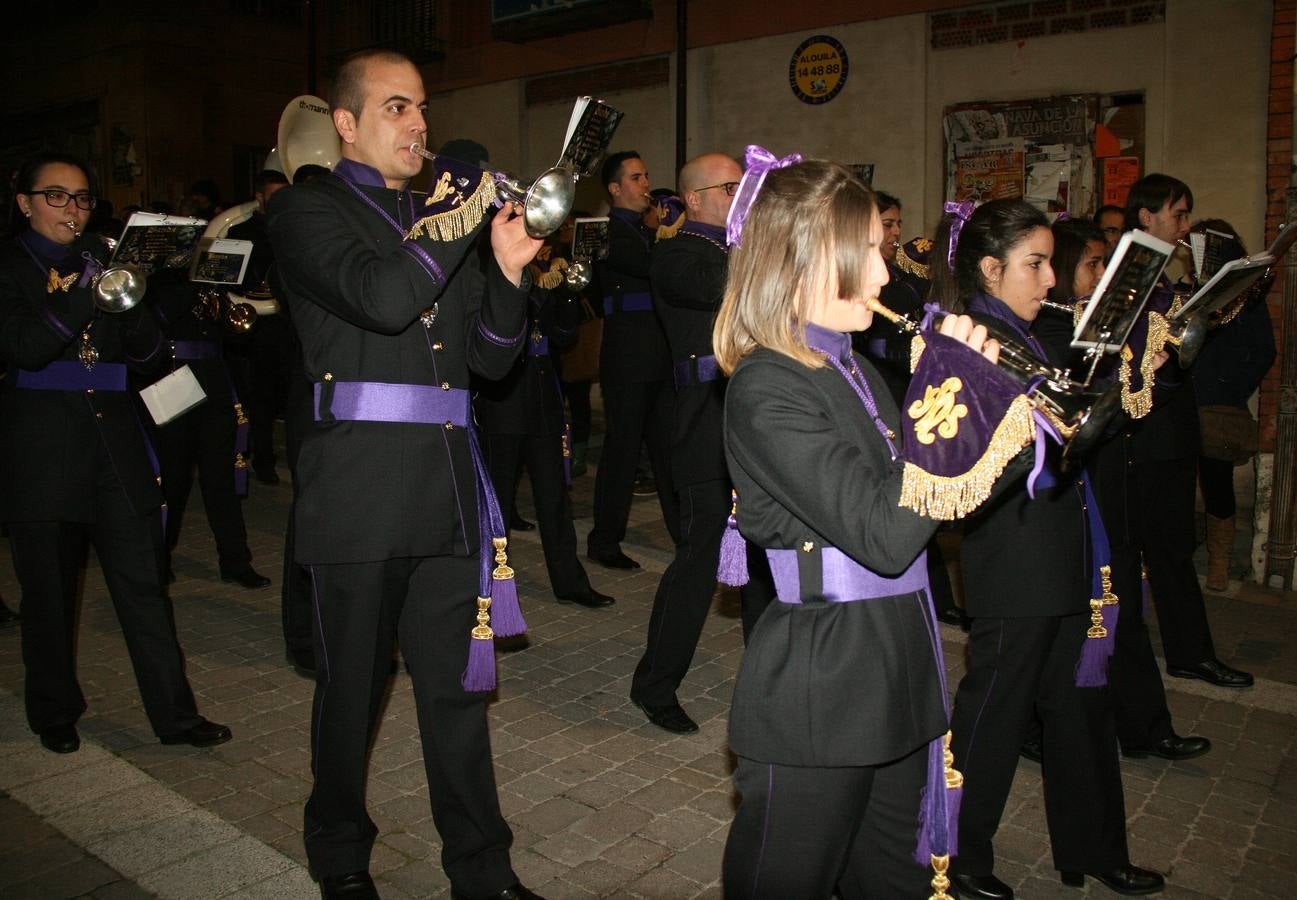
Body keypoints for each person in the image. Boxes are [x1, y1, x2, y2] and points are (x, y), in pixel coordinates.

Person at [267, 50, 543, 900]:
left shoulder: (438, 219)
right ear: (347, 124)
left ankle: (482, 869)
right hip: (356, 488)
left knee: (458, 695)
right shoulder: (306, 211)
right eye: (396, 108)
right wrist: (459, 226)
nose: (418, 124)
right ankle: (341, 855)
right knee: (351, 690)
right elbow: (385, 300)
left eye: (421, 107)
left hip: (448, 489)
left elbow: (491, 363)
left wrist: (504, 267)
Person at [714, 153, 1012, 898]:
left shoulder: (851, 368)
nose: (883, 275)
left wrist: (996, 413)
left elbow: (933, 503)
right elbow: (882, 534)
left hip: (897, 666)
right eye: (868, 253)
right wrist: (947, 408)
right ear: (802, 261)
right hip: (824, 685)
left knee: (893, 884)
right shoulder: (766, 388)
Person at [943, 199, 1163, 899]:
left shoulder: (1039, 330)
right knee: (993, 715)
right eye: (1033, 264)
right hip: (1011, 555)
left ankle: (1092, 848)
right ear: (989, 268)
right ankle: (956, 855)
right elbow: (970, 458)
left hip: (1062, 541)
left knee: (1080, 708)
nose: (1048, 279)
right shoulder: (969, 338)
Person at [0, 151, 231, 755]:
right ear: (24, 203)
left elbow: (149, 357)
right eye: (56, 196)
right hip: (41, 449)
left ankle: (175, 716)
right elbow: (25, 348)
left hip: (115, 444)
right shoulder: (10, 267)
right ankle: (54, 710)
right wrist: (90, 291)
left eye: (80, 199)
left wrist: (139, 292)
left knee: (144, 585)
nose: (71, 209)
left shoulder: (100, 262)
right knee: (49, 593)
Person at [628, 152, 775, 735]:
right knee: (697, 560)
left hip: (752, 420)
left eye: (744, 187)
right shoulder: (677, 254)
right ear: (693, 199)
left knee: (764, 553)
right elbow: (729, 288)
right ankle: (654, 685)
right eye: (730, 187)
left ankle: (768, 676)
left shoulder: (735, 250)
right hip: (700, 424)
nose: (741, 195)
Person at [1117, 175, 1252, 693]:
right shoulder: (1131, 276)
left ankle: (1189, 653)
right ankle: (1157, 660)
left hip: (1171, 431)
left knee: (1173, 550)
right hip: (1144, 436)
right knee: (1152, 554)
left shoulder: (1166, 279)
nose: (1185, 226)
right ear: (1146, 217)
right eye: (1177, 214)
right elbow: (1144, 357)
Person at [475, 235, 616, 610]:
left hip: (542, 402)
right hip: (503, 403)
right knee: (497, 504)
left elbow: (565, 337)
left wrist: (569, 292)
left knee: (555, 499)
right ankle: (487, 585)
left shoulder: (547, 280)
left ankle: (569, 582)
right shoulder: (494, 274)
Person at [147, 268, 272, 590]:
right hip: (171, 377)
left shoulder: (215, 287)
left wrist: (231, 313)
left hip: (214, 382)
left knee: (221, 479)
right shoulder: (157, 279)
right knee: (172, 479)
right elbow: (158, 317)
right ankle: (157, 560)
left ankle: (235, 561)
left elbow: (236, 336)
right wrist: (192, 284)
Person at [586, 151, 679, 569]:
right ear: (615, 188)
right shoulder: (609, 233)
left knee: (667, 450)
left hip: (659, 357)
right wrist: (670, 234)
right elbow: (652, 268)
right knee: (623, 451)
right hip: (627, 358)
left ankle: (685, 535)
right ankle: (604, 541)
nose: (646, 186)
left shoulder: (646, 232)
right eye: (637, 178)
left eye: (646, 176)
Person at [1189, 219, 1275, 591]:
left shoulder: (1247, 296)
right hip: (1183, 402)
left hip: (1217, 406)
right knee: (1174, 484)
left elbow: (1263, 352)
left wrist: (1229, 386)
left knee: (1218, 484)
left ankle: (1220, 562)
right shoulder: (1193, 291)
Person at [228, 168, 291, 486]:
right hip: (256, 326)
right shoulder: (242, 231)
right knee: (261, 398)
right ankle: (263, 460)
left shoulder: (295, 227)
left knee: (290, 396)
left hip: (285, 323)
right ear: (259, 198)